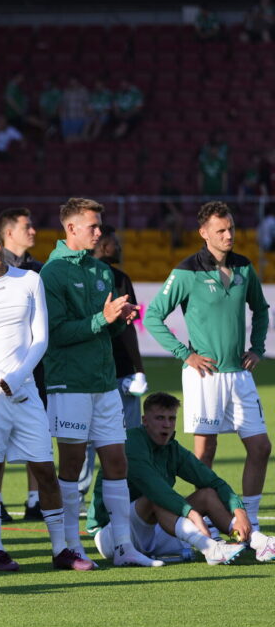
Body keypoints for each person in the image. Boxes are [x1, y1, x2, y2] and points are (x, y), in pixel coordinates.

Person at [0, 223, 92, 572]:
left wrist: (16, 377)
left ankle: (60, 550)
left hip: (26, 392)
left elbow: (40, 338)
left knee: (45, 470)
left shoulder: (30, 280)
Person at [143, 201, 273, 561]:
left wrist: (257, 347)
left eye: (230, 228)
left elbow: (261, 311)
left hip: (241, 376)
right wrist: (185, 354)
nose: (228, 235)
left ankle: (253, 525)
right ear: (203, 233)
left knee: (261, 448)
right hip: (205, 376)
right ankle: (213, 529)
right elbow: (152, 316)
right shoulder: (187, 271)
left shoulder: (245, 266)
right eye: (220, 230)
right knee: (205, 454)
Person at [40, 197, 160, 568]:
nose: (99, 232)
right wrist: (101, 319)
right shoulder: (51, 274)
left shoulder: (102, 271)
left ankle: (123, 547)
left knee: (117, 461)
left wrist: (118, 321)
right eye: (92, 225)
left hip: (105, 383)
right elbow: (55, 333)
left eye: (99, 225)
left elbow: (104, 330)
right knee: (73, 463)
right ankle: (70, 545)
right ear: (70, 228)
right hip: (69, 383)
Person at [88, 393, 273, 564]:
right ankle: (210, 548)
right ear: (145, 421)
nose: (167, 424)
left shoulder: (173, 448)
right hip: (112, 534)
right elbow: (156, 489)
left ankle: (259, 542)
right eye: (160, 418)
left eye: (171, 418)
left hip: (154, 530)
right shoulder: (132, 442)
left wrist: (239, 511)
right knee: (155, 499)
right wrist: (191, 513)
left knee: (207, 494)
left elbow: (213, 482)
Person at [78, 225, 149, 500]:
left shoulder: (121, 278)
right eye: (115, 241)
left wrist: (138, 370)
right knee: (83, 441)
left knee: (126, 439)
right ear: (103, 243)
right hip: (89, 374)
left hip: (121, 374)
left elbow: (130, 327)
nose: (118, 246)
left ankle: (126, 492)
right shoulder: (80, 278)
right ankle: (77, 496)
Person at [0, 207, 44, 520]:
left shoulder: (41, 270)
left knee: (35, 433)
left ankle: (34, 500)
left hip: (34, 365)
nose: (34, 231)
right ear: (9, 233)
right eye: (27, 226)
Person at [59, 76, 90, 143]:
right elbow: (62, 104)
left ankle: (85, 139)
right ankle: (84, 138)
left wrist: (87, 119)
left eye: (74, 82)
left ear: (78, 82)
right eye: (71, 82)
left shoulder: (83, 91)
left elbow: (86, 105)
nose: (73, 83)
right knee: (66, 139)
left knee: (71, 139)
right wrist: (62, 116)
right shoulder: (66, 91)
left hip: (79, 118)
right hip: (67, 118)